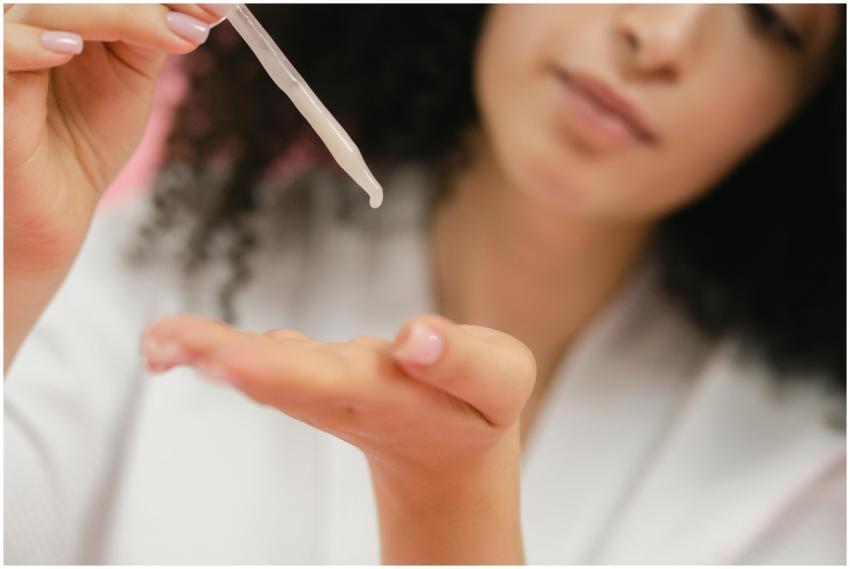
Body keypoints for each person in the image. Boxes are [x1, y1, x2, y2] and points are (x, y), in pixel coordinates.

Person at [4, 3, 845, 564]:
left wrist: (448, 506)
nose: (660, 36)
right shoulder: (151, 259)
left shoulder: (810, 476)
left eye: (768, 20)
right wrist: (14, 263)